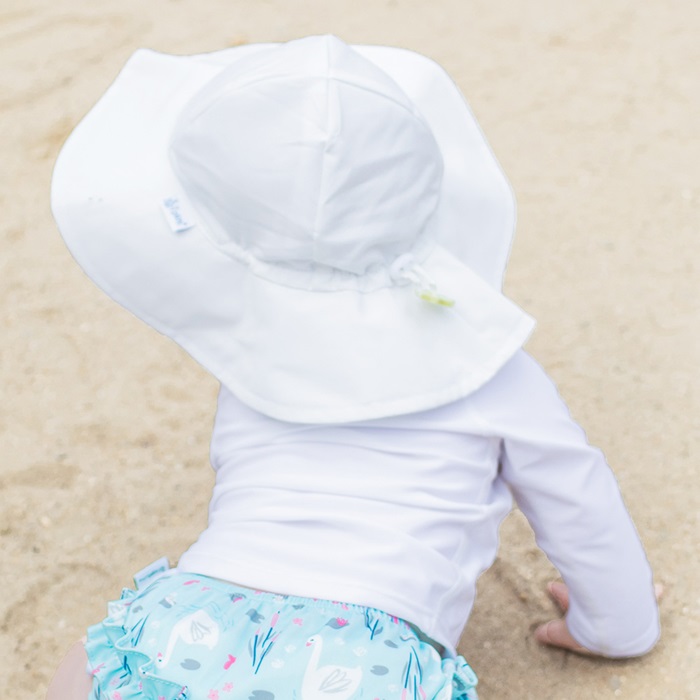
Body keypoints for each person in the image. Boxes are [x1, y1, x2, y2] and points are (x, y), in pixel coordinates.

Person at [47, 35, 659, 700]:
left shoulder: (246, 353)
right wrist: (615, 628)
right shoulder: (495, 374)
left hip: (190, 619)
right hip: (363, 661)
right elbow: (581, 505)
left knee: (97, 665)